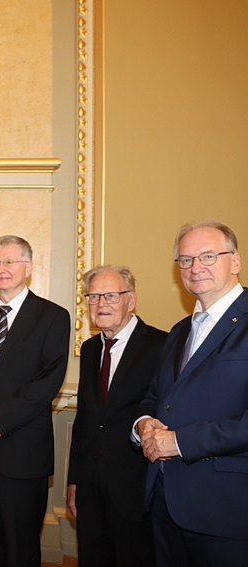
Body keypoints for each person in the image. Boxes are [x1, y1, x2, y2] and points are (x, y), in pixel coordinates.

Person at [135, 219, 248, 565]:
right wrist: (143, 425)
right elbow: (156, 398)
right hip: (165, 501)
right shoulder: (179, 330)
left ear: (235, 261)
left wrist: (181, 442)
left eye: (208, 256)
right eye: (185, 259)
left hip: (226, 510)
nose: (195, 267)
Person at [0, 235, 70, 567]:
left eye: (9, 261)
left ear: (28, 267)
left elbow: (48, 380)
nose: (0, 268)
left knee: (21, 548)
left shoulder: (53, 317)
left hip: (24, 454)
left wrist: (0, 419)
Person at [67, 265, 166, 566]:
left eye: (110, 295)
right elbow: (85, 419)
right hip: (90, 484)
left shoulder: (161, 345)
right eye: (93, 296)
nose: (101, 303)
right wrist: (74, 480)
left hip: (135, 484)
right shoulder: (89, 349)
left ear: (130, 300)